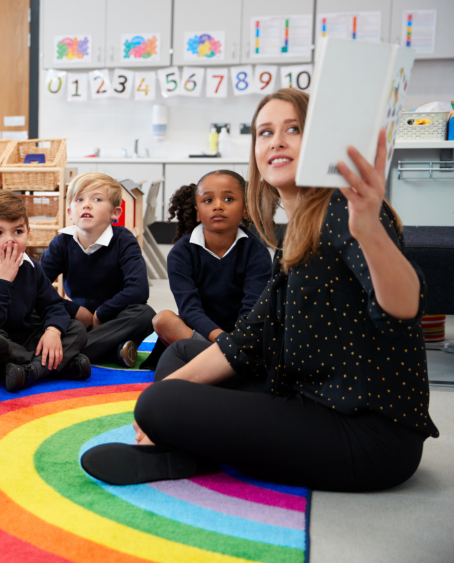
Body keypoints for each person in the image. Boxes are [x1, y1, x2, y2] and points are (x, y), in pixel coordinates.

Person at [82, 88, 438, 492]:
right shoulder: (299, 229)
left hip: (366, 434)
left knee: (158, 403)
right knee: (179, 358)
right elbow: (248, 341)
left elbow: (404, 309)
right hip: (310, 396)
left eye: (294, 129)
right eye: (265, 132)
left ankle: (184, 445)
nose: (277, 141)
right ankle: (184, 448)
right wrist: (170, 393)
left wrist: (370, 231)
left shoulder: (346, 211)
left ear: (320, 140)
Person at [0, 190, 91, 392]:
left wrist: (53, 332)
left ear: (28, 232)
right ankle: (58, 365)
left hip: (25, 338)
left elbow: (53, 305)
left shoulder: (31, 267)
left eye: (18, 232)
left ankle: (31, 371)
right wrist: (3, 280)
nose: (9, 240)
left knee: (75, 328)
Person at [150, 171, 272, 374]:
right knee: (163, 320)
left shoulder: (256, 252)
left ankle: (217, 365)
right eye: (208, 200)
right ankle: (227, 364)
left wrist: (236, 340)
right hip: (198, 334)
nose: (218, 205)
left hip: (243, 337)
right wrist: (221, 340)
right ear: (197, 212)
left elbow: (253, 308)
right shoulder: (181, 252)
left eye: (228, 199)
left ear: (245, 209)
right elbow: (189, 309)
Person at [40, 172, 155, 367]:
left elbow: (139, 290)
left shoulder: (124, 240)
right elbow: (36, 287)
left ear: (115, 213)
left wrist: (101, 314)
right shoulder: (61, 243)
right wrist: (75, 310)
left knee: (145, 314)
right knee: (34, 310)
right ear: (70, 213)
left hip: (114, 317)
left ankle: (69, 354)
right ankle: (114, 351)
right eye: (79, 199)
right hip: (78, 319)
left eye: (97, 199)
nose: (86, 205)